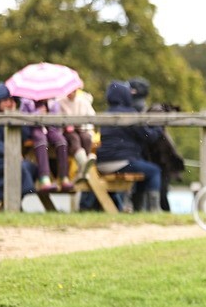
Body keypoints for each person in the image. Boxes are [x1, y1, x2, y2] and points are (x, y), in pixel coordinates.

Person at [92, 81, 163, 211]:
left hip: (102, 163)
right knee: (154, 171)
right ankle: (153, 209)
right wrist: (159, 127)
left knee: (143, 170)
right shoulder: (130, 114)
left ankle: (138, 209)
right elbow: (148, 136)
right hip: (121, 162)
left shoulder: (106, 114)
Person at [18, 98, 69, 191]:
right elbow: (23, 120)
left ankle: (63, 176)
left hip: (51, 129)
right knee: (41, 140)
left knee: (62, 141)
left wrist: (49, 116)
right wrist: (38, 113)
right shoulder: (26, 102)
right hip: (34, 130)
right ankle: (44, 178)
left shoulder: (54, 103)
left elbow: (58, 122)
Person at [57, 88, 96, 177]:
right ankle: (83, 164)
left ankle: (84, 168)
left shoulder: (83, 101)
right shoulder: (60, 102)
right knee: (74, 139)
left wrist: (82, 126)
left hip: (81, 128)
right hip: (67, 131)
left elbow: (91, 117)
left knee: (86, 138)